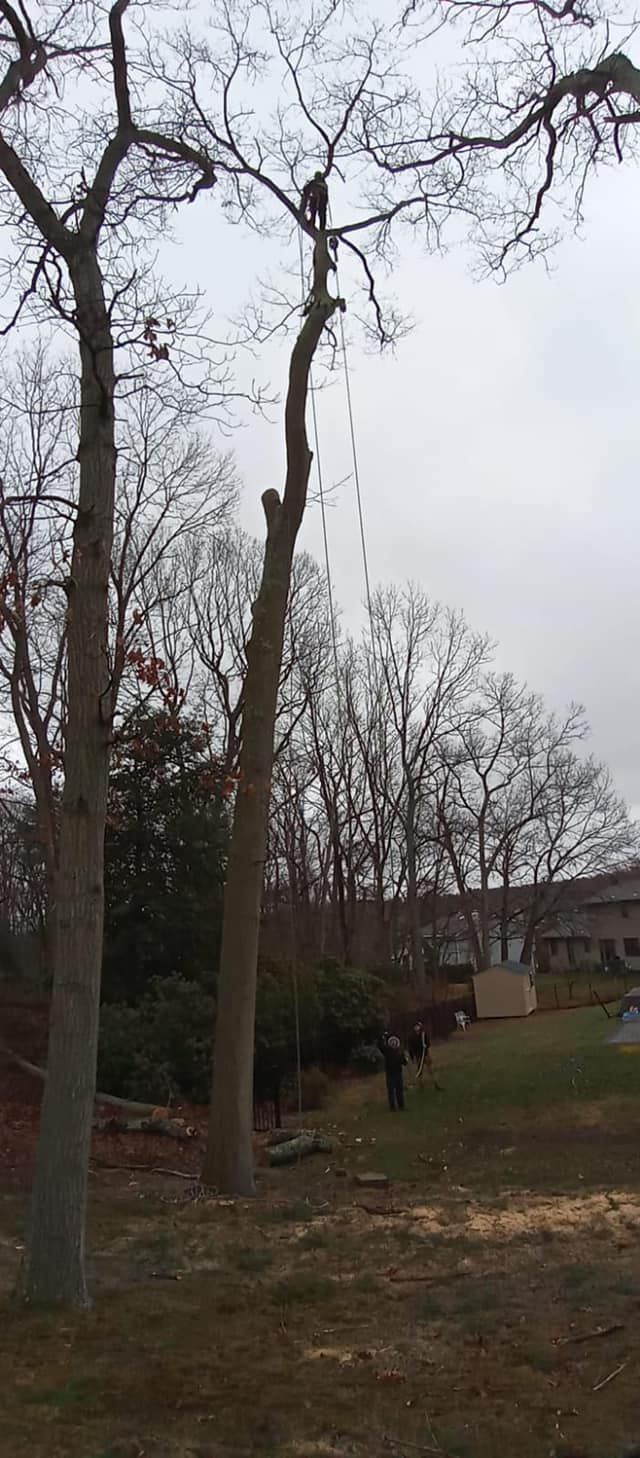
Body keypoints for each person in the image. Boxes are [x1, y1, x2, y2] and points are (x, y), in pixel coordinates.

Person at [383, 1034, 407, 1112]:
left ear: (397, 1043)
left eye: (394, 1042)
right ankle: (392, 1107)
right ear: (390, 1044)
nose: (393, 1044)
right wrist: (383, 1038)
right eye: (392, 1043)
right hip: (390, 1074)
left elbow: (404, 1063)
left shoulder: (400, 1052)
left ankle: (401, 1106)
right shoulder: (387, 1052)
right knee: (391, 1090)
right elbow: (381, 1047)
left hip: (398, 1073)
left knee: (399, 1090)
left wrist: (404, 1058)